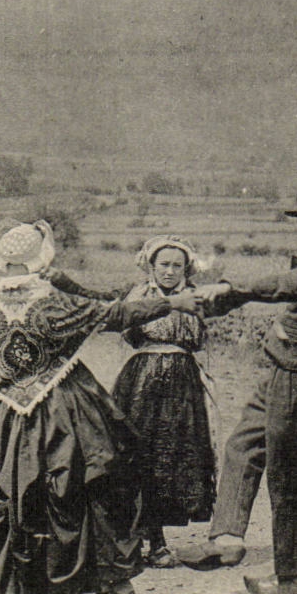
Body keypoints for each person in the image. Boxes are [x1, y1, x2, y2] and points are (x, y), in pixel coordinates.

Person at [0, 219, 200, 594]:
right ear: (40, 257)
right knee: (97, 482)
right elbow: (114, 315)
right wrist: (171, 302)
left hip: (5, 414)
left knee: (15, 490)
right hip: (64, 406)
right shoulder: (52, 302)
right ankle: (114, 583)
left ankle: (28, 593)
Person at [179, 192, 297, 594]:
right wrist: (223, 299)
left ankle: (294, 578)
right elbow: (283, 292)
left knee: (290, 476)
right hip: (282, 372)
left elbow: (284, 286)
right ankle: (227, 539)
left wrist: (229, 287)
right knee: (243, 446)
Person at [110, 235, 218, 567]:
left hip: (182, 384)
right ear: (151, 266)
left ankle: (157, 542)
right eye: (164, 265)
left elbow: (198, 338)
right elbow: (126, 329)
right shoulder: (139, 295)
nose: (169, 272)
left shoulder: (195, 297)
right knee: (137, 455)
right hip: (142, 380)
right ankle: (131, 541)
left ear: (186, 268)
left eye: (176, 266)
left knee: (172, 458)